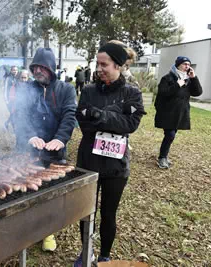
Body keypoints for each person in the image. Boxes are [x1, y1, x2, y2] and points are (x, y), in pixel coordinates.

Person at [73, 42, 146, 265]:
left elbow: (131, 124)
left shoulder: (132, 93)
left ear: (118, 66)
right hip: (89, 160)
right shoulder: (88, 90)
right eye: (97, 63)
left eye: (104, 64)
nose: (99, 68)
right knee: (86, 212)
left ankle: (105, 255)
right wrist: (112, 117)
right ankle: (87, 252)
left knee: (108, 214)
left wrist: (99, 115)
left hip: (116, 166)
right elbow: (83, 123)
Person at [15, 48, 77, 252]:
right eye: (35, 67)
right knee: (27, 188)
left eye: (43, 67)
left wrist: (60, 138)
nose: (38, 71)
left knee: (51, 192)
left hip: (54, 151)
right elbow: (20, 116)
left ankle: (48, 232)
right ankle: (28, 227)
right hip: (29, 150)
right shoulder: (26, 89)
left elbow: (69, 115)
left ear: (52, 68)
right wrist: (30, 135)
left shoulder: (65, 89)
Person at [154, 56, 202, 169]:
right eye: (185, 64)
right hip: (168, 112)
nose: (187, 66)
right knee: (170, 135)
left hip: (180, 113)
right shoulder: (168, 77)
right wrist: (177, 85)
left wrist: (194, 78)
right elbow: (163, 92)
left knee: (171, 135)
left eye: (188, 64)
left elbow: (197, 92)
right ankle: (162, 157)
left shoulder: (188, 79)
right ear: (178, 64)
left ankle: (164, 156)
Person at [4, 66, 19, 130]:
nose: (15, 71)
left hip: (16, 100)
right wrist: (6, 100)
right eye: (13, 70)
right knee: (12, 113)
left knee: (14, 113)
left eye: (16, 70)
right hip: (9, 100)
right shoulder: (8, 78)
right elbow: (5, 89)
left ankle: (7, 123)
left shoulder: (18, 78)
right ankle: (14, 128)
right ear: (11, 71)